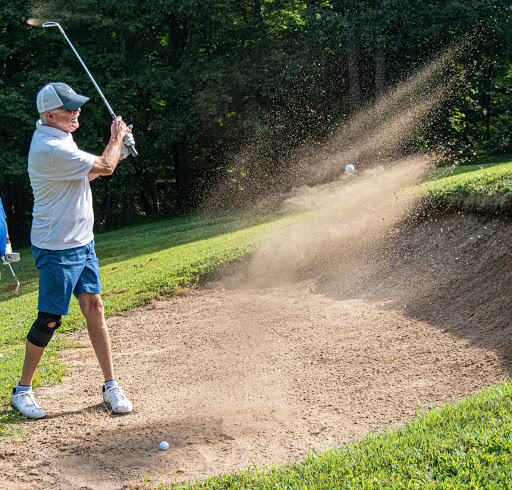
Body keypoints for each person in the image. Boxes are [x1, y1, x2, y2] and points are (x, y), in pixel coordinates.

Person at [11, 82, 135, 419]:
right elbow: (104, 167)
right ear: (50, 115)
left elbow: (87, 173)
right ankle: (22, 391)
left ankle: (111, 385)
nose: (77, 112)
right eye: (70, 109)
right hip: (57, 246)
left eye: (77, 106)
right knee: (50, 320)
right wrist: (117, 139)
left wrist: (118, 153)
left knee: (95, 307)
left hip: (82, 240)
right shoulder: (50, 146)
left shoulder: (61, 136)